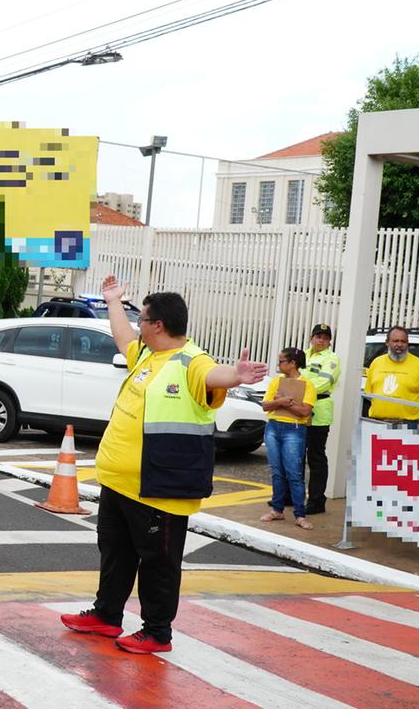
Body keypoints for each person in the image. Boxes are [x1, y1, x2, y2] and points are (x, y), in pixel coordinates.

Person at [60, 276, 267, 654]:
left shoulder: (191, 360)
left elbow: (211, 375)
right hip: (120, 483)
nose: (138, 324)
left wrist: (235, 375)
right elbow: (123, 338)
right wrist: (113, 302)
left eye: (143, 319)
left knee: (158, 563)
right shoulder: (146, 354)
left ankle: (157, 631)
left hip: (160, 486)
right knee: (115, 553)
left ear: (158, 325)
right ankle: (107, 616)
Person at [260, 347, 316, 530]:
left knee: (294, 473)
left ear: (292, 363)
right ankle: (277, 509)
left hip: (294, 428)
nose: (279, 365)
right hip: (274, 427)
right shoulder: (276, 381)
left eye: (282, 361)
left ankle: (300, 514)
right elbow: (266, 405)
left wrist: (284, 403)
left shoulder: (307, 384)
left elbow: (305, 412)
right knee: (277, 471)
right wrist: (282, 402)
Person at [301, 323, 340, 514]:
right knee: (295, 457)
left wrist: (300, 392)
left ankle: (316, 501)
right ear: (311, 337)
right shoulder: (302, 355)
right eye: (318, 336)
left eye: (325, 338)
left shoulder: (332, 359)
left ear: (329, 341)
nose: (321, 340)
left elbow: (325, 382)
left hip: (318, 412)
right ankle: (292, 497)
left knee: (315, 458)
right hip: (298, 409)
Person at [365, 326, 419, 429]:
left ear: (407, 343)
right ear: (387, 342)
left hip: (407, 425)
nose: (399, 345)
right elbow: (369, 394)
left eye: (403, 341)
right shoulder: (376, 363)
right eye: (395, 341)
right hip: (377, 424)